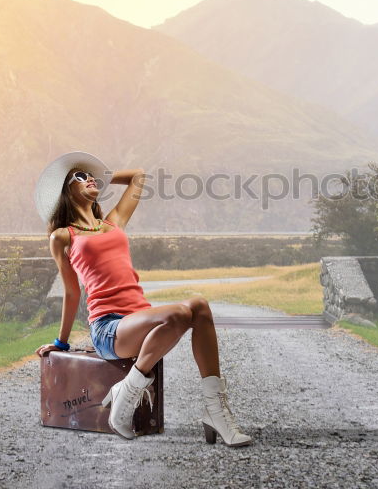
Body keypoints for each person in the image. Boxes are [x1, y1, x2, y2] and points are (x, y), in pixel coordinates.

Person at [32, 152, 253, 447]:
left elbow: (139, 176)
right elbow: (72, 293)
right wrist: (60, 344)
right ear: (66, 190)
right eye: (79, 177)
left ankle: (215, 411)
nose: (88, 180)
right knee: (177, 315)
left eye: (90, 176)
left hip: (141, 318)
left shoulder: (113, 222)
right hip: (109, 328)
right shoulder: (63, 236)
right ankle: (128, 392)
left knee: (198, 305)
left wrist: (100, 176)